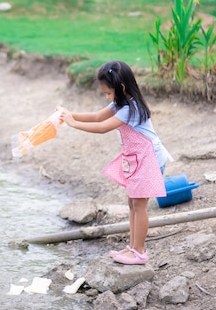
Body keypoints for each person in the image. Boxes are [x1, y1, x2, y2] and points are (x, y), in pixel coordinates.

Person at [59, 60, 171, 265]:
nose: (107, 97)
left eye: (107, 93)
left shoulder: (131, 109)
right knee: (133, 203)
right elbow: (96, 116)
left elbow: (103, 127)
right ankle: (132, 247)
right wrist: (70, 115)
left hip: (149, 159)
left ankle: (139, 252)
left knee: (139, 205)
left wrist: (74, 124)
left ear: (120, 88)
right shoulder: (120, 103)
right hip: (138, 159)